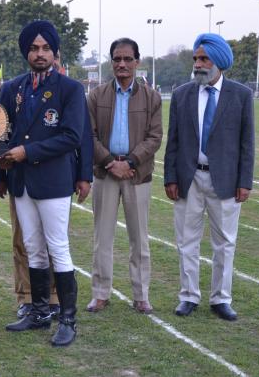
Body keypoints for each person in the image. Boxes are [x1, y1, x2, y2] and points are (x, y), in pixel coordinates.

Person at [0, 20, 86, 347]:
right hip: (20, 182)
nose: (40, 53)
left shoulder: (70, 89)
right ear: (26, 52)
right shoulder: (12, 88)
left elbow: (72, 136)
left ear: (55, 52)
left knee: (57, 248)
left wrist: (25, 152)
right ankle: (39, 312)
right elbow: (0, 134)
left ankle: (68, 321)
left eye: (46, 48)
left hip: (53, 181)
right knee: (32, 246)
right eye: (34, 48)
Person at [164, 33, 254, 321]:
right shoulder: (181, 94)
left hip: (226, 182)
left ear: (219, 62)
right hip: (189, 180)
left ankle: (221, 299)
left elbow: (246, 144)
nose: (198, 64)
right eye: (196, 59)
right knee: (186, 242)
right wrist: (170, 178)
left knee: (225, 243)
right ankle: (188, 296)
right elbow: (173, 142)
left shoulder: (241, 95)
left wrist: (245, 182)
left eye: (204, 59)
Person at [86, 38, 162, 315]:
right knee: (101, 238)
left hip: (136, 175)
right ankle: (100, 293)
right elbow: (89, 136)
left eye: (127, 59)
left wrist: (130, 161)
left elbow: (155, 137)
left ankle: (141, 295)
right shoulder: (96, 96)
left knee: (139, 239)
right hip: (105, 174)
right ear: (111, 61)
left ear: (137, 62)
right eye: (117, 59)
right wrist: (109, 162)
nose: (122, 64)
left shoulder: (151, 97)